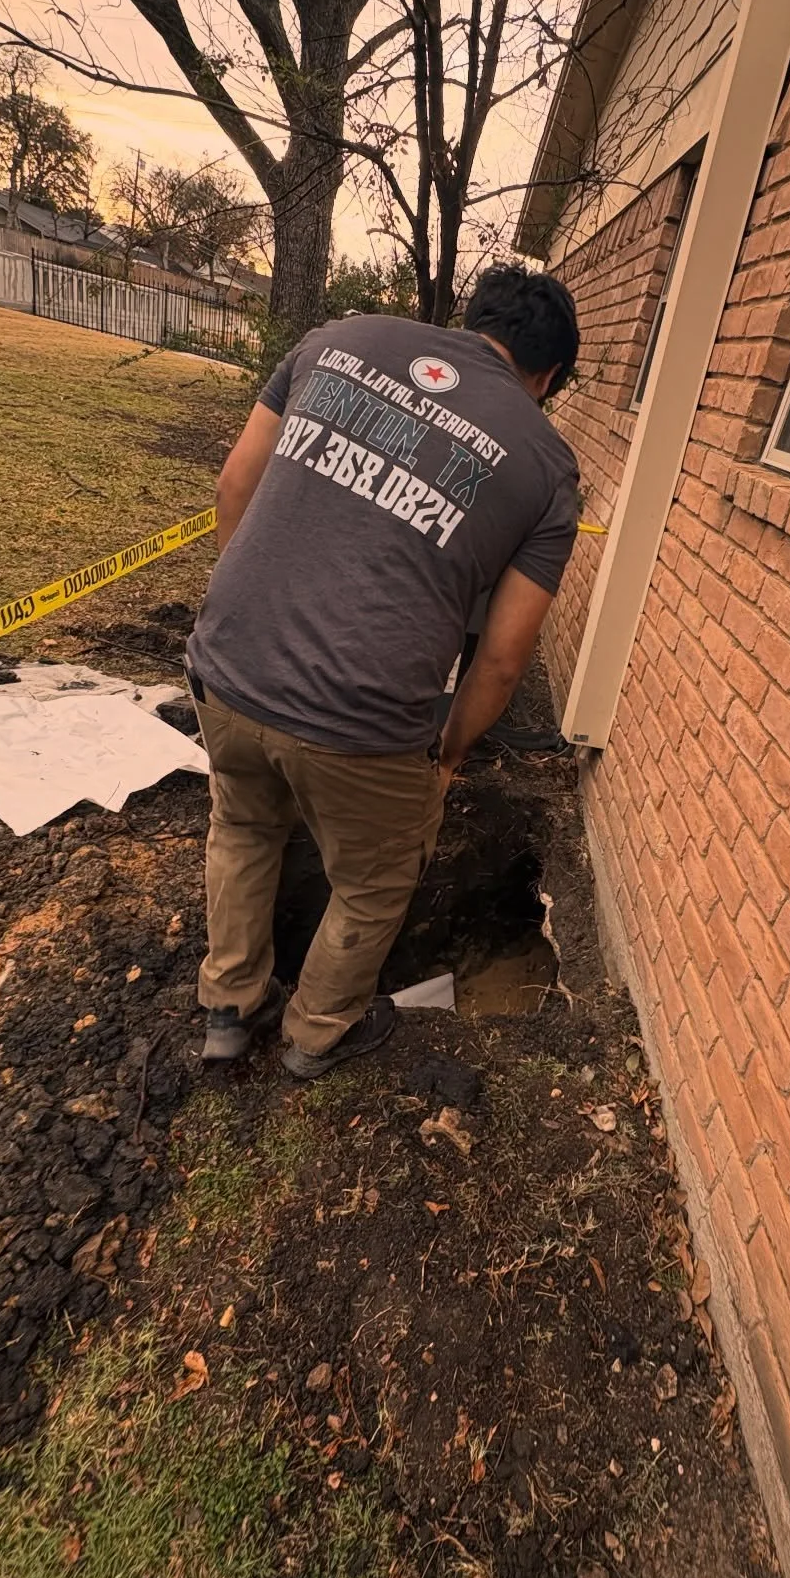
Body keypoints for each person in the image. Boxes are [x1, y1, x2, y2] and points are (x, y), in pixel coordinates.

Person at [186, 263, 581, 1077]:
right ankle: (315, 1034)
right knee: (374, 879)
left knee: (246, 826)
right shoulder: (546, 465)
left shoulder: (336, 342)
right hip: (364, 723)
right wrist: (445, 755)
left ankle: (228, 1007)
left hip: (225, 671)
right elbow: (504, 660)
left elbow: (233, 487)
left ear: (472, 320)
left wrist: (252, 627)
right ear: (546, 377)